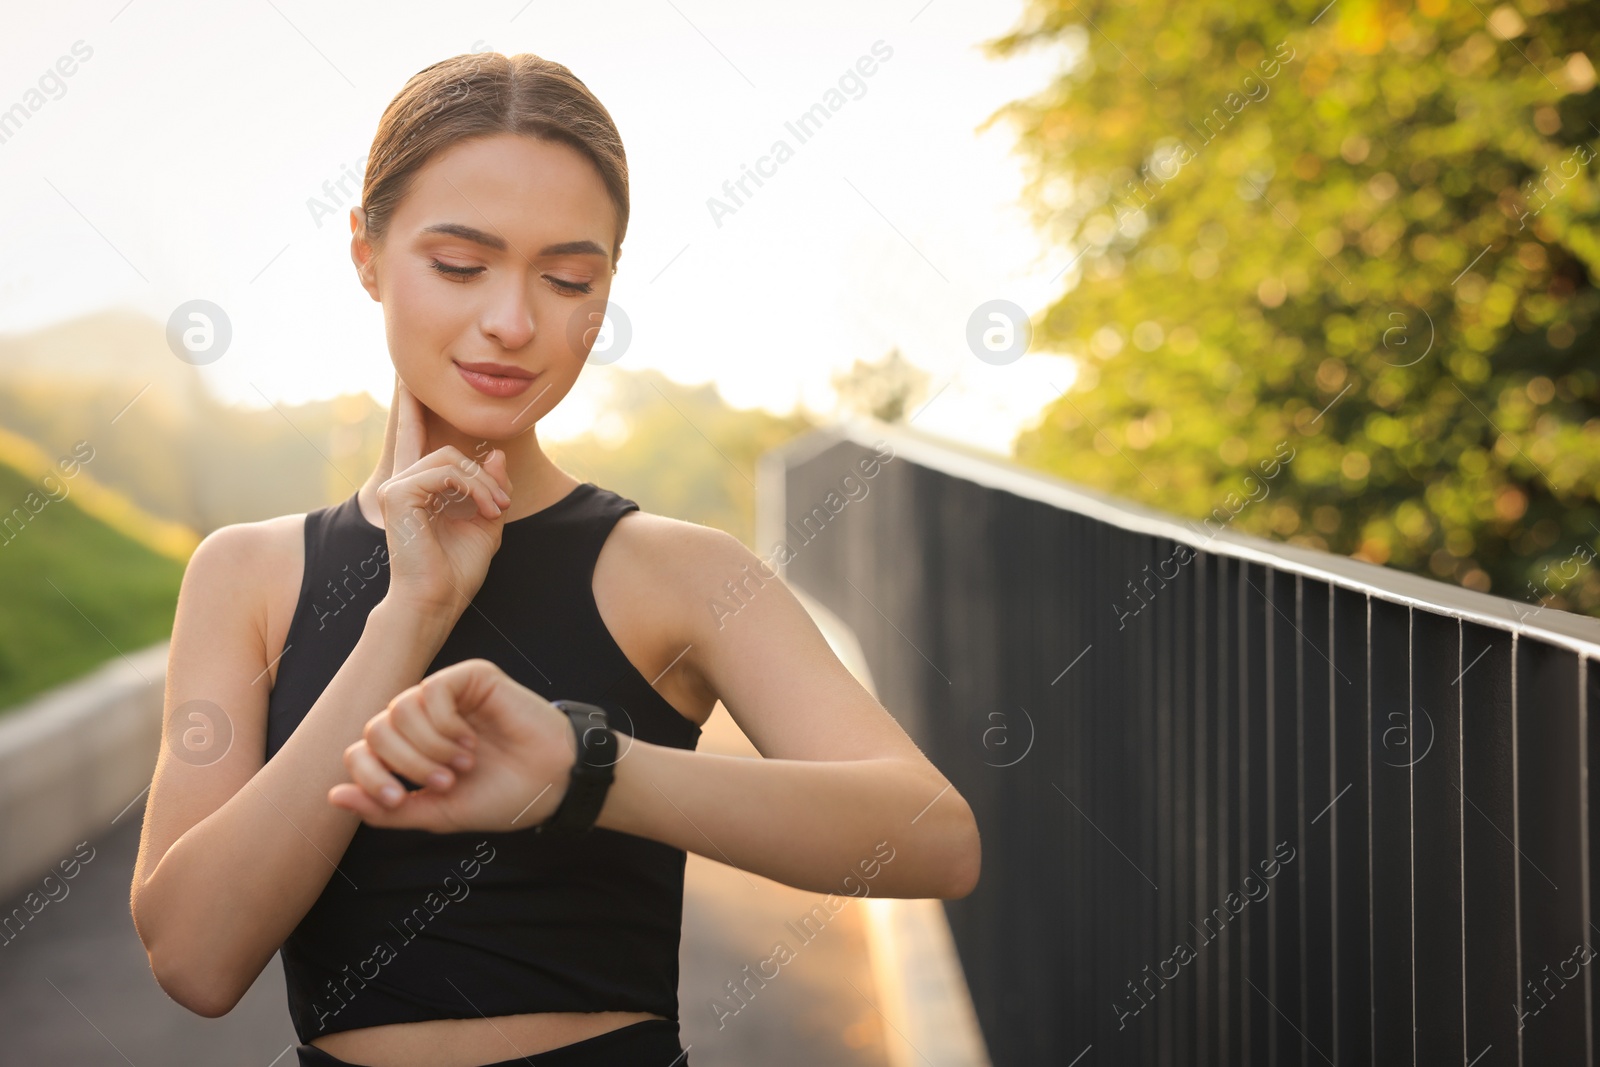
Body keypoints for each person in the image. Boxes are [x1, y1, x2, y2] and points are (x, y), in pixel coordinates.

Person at [128, 50, 981, 1067]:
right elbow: (194, 956)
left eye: (568, 277)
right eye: (458, 264)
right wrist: (407, 617)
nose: (513, 322)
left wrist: (586, 771)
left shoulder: (678, 570)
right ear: (365, 252)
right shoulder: (247, 574)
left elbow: (934, 835)